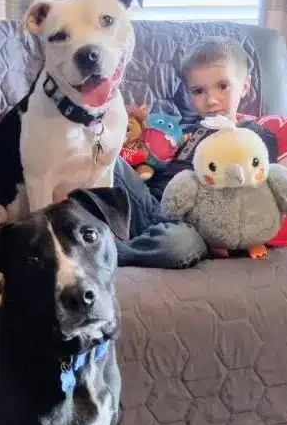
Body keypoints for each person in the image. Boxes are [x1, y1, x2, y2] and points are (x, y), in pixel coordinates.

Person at [113, 36, 278, 268]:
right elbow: (153, 164)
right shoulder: (184, 130)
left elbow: (254, 191)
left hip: (192, 226)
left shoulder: (254, 137)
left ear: (245, 86)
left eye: (223, 86)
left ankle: (112, 252)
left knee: (178, 246)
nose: (211, 100)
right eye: (199, 91)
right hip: (149, 203)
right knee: (107, 157)